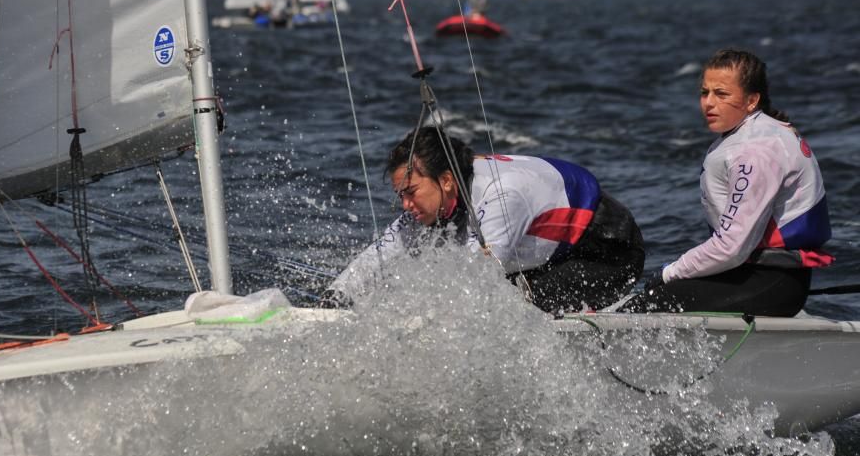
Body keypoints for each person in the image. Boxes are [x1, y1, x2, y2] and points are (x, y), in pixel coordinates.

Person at [322, 127, 645, 314]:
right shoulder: (436, 196)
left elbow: (477, 280)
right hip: (545, 259)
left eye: (410, 192)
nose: (405, 205)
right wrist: (333, 301)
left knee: (509, 305)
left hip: (607, 251)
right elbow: (381, 255)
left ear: (446, 181)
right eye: (400, 195)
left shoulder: (503, 196)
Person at [624, 49, 833, 317]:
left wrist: (669, 272)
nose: (708, 103)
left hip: (773, 282)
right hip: (751, 273)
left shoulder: (755, 151)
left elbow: (732, 247)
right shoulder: (754, 134)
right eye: (704, 92)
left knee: (652, 303)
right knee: (656, 295)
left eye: (721, 94)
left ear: (751, 100)